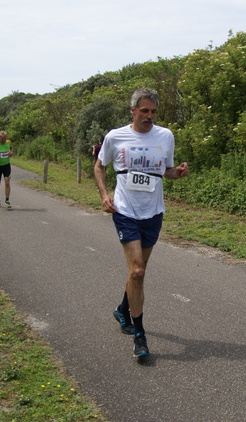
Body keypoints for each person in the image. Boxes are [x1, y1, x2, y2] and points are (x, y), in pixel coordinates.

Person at [94, 88, 189, 359]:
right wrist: (104, 195)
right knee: (136, 270)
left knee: (141, 270)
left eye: (154, 112)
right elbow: (99, 166)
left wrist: (177, 173)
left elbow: (166, 171)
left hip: (153, 211)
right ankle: (140, 336)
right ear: (133, 110)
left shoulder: (165, 136)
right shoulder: (116, 136)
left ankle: (122, 310)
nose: (149, 116)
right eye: (144, 111)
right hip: (125, 210)